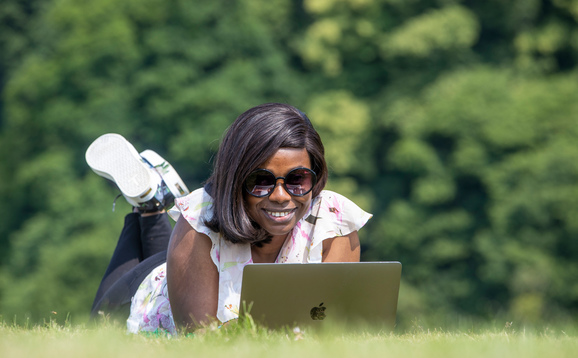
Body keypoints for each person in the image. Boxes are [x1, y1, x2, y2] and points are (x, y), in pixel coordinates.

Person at [87, 103, 372, 335]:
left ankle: (154, 202)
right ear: (235, 179)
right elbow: (199, 338)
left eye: (298, 179)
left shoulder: (335, 220)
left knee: (172, 250)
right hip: (149, 299)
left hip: (189, 259)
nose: (281, 196)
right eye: (261, 181)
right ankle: (149, 207)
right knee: (99, 323)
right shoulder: (199, 217)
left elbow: (334, 330)